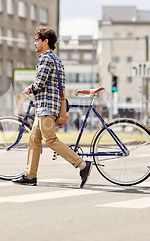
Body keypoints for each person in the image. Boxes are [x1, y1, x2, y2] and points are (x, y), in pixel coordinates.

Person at [11, 26, 92, 188]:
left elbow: (40, 82)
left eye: (37, 40)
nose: (35, 43)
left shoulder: (46, 58)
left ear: (45, 41)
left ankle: (82, 165)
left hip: (47, 107)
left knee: (50, 139)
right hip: (47, 106)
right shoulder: (56, 59)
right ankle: (30, 175)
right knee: (34, 139)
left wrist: (30, 88)